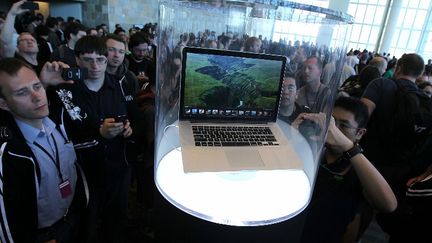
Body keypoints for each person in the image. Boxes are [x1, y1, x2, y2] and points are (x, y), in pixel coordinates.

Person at [46, 35, 137, 243]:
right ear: (77, 60)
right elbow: (55, 132)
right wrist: (99, 133)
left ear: (107, 60)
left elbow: (129, 117)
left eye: (100, 60)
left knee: (115, 222)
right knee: (86, 226)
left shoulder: (119, 86)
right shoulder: (65, 90)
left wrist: (127, 129)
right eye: (88, 60)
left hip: (118, 167)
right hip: (83, 172)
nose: (95, 66)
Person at [0, 58, 88, 243]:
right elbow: (8, 221)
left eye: (37, 86)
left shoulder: (58, 118)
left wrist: (48, 83)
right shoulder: (9, 152)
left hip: (74, 217)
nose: (37, 96)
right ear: (4, 104)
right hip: (43, 235)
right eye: (22, 93)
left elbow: (88, 116)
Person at [300, 97, 397, 243]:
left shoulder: (359, 167)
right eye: (333, 123)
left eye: (344, 125)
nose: (334, 130)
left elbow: (388, 205)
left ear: (360, 133)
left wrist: (348, 147)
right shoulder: (313, 149)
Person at [361, 53, 432, 242]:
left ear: (398, 66)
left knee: (361, 207)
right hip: (401, 168)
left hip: (369, 161)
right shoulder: (424, 100)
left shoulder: (381, 85)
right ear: (420, 73)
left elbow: (361, 116)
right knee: (387, 206)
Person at [0, 0, 44, 74]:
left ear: (38, 46)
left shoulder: (44, 66)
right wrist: (12, 14)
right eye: (24, 40)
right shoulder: (14, 63)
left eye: (32, 40)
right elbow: (5, 42)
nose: (29, 41)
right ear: (17, 46)